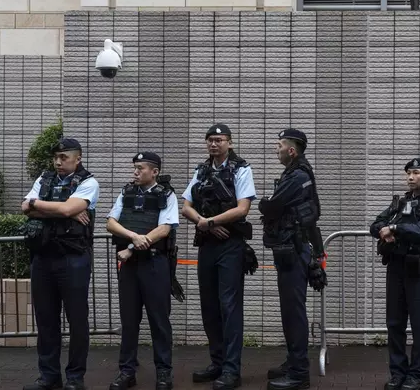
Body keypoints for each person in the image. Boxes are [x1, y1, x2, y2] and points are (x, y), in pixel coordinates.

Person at [181, 123, 257, 390]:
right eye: (210, 140)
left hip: (231, 246)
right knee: (209, 306)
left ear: (230, 143)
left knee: (229, 306)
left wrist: (208, 222)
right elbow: (186, 207)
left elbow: (243, 208)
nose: (214, 144)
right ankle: (217, 362)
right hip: (207, 245)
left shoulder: (241, 168)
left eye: (219, 140)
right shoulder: (201, 170)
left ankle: (231, 370)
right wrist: (205, 222)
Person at [21, 138, 100, 390]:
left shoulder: (88, 182)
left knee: (77, 321)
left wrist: (42, 206)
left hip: (73, 258)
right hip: (43, 259)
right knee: (46, 320)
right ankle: (48, 376)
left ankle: (75, 378)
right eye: (55, 157)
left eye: (63, 157)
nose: (57, 162)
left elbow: (69, 210)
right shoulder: (43, 179)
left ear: (78, 158)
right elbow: (26, 207)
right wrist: (58, 207)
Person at [369, 157, 420, 390]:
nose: (411, 177)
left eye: (416, 173)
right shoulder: (400, 202)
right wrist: (384, 231)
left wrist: (395, 228)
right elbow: (376, 224)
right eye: (408, 173)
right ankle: (398, 373)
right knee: (394, 324)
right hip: (396, 268)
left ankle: (415, 376)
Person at [258, 129, 327, 390]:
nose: (275, 149)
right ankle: (293, 360)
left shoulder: (297, 175)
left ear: (292, 151)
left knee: (293, 311)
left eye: (279, 145)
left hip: (294, 249)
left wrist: (267, 204)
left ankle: (299, 373)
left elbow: (271, 206)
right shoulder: (295, 173)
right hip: (291, 248)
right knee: (289, 310)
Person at [105, 152, 179, 390]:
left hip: (155, 264)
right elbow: (111, 222)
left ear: (154, 171)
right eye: (134, 168)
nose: (135, 172)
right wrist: (133, 238)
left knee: (159, 321)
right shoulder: (126, 193)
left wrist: (132, 246)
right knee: (129, 321)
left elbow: (165, 228)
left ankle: (164, 373)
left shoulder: (167, 195)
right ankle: (127, 372)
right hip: (130, 267)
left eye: (140, 168)